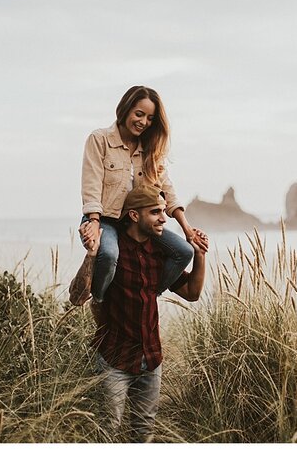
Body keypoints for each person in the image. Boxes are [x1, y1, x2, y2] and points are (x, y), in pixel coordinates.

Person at [69, 185, 208, 442]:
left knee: (143, 433)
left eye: (163, 211)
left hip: (151, 359)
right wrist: (90, 254)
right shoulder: (110, 251)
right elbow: (77, 297)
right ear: (134, 215)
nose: (164, 219)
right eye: (155, 212)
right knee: (106, 432)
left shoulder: (161, 254)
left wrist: (199, 255)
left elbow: (192, 293)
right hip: (114, 360)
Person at [79, 85, 208, 303]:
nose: (144, 122)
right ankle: (100, 302)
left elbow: (167, 189)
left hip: (136, 222)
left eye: (150, 118)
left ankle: (145, 297)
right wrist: (93, 220)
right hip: (105, 220)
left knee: (185, 252)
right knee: (109, 255)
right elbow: (91, 183)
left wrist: (187, 229)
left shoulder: (150, 148)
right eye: (139, 114)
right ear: (125, 109)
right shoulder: (99, 139)